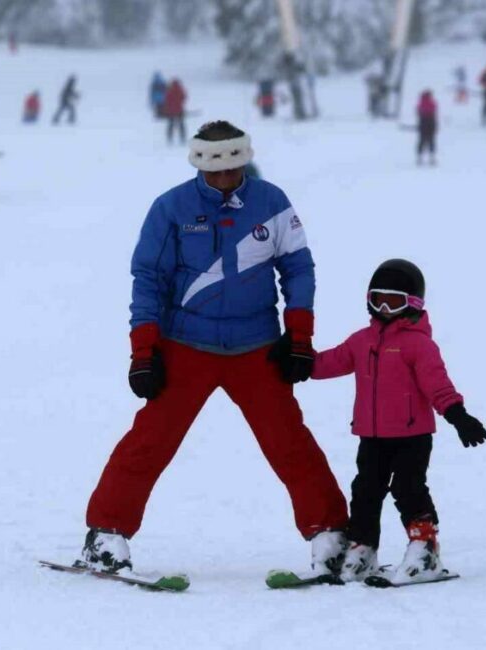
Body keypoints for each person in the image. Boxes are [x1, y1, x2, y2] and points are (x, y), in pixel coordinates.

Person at [80, 120, 349, 577]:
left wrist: (299, 337)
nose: (224, 179)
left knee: (289, 442)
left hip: (256, 347)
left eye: (233, 169)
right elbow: (149, 279)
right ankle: (106, 535)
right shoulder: (171, 208)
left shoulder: (272, 202)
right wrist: (144, 352)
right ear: (199, 164)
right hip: (186, 344)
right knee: (150, 441)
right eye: (215, 171)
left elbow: (298, 268)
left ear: (245, 161)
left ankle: (332, 535)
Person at [311, 259, 486, 584]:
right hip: (372, 436)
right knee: (365, 491)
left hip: (412, 436)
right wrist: (297, 362)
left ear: (413, 304)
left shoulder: (418, 344)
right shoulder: (361, 341)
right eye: (377, 298)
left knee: (408, 489)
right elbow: (329, 362)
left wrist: (458, 416)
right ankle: (363, 548)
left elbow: (438, 385)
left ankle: (425, 548)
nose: (384, 307)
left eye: (393, 301)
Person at [415, 90, 438, 166]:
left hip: (422, 122)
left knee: (422, 140)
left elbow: (418, 112)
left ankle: (419, 157)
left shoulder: (420, 103)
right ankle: (432, 158)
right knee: (431, 140)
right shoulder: (432, 103)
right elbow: (434, 112)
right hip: (431, 122)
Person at [163, 78, 187, 145]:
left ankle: (169, 138)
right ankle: (183, 138)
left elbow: (167, 100)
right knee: (181, 125)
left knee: (171, 125)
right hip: (180, 110)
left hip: (171, 111)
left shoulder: (170, 90)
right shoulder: (180, 90)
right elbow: (184, 97)